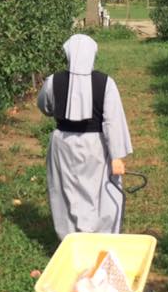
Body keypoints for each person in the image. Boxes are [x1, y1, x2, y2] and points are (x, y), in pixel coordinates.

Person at [37, 33, 133, 240]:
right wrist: (117, 156)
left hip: (63, 144)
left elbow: (45, 106)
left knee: (67, 191)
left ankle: (72, 237)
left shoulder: (54, 81)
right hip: (95, 146)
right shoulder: (106, 83)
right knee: (98, 191)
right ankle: (99, 236)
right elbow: (112, 121)